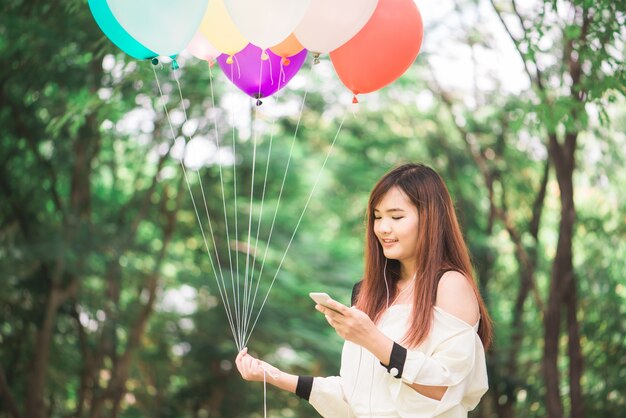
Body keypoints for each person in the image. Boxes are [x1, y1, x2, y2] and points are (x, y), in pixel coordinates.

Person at [235, 163, 493, 417]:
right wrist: (273, 375)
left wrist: (371, 338)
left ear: (431, 219)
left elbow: (445, 390)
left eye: (396, 216)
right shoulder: (369, 291)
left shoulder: (450, 285)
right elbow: (357, 397)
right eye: (377, 217)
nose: (382, 228)